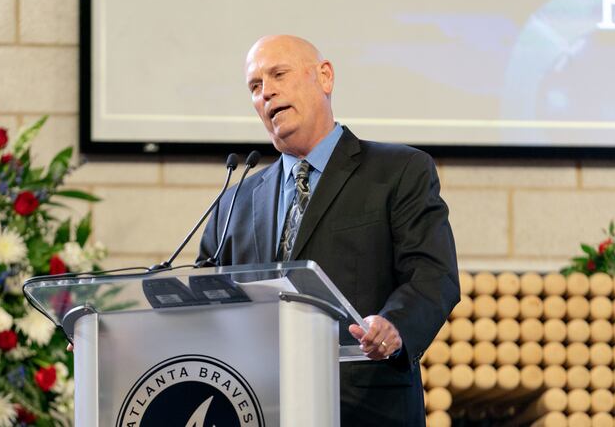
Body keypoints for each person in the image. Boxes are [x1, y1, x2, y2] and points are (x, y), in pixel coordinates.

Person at [197, 35, 460, 426]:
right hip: (258, 407)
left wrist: (394, 325)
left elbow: (433, 275)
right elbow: (204, 296)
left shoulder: (398, 171)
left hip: (364, 407)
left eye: (278, 75)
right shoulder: (236, 200)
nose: (266, 92)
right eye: (255, 86)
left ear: (324, 77)